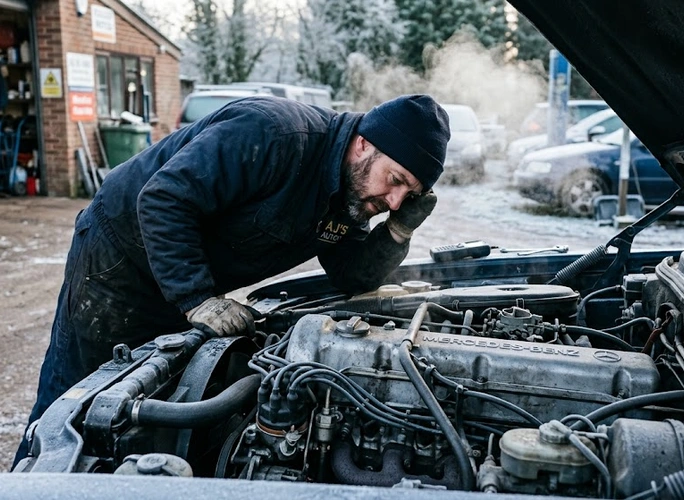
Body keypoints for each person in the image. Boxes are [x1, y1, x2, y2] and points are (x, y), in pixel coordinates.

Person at [13, 94, 450, 467]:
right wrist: (197, 298)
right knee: (75, 404)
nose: (394, 201)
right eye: (395, 181)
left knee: (152, 406)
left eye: (408, 195)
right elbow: (165, 198)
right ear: (362, 145)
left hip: (186, 278)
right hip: (119, 261)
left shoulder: (350, 195)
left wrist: (398, 231)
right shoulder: (274, 135)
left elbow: (349, 275)